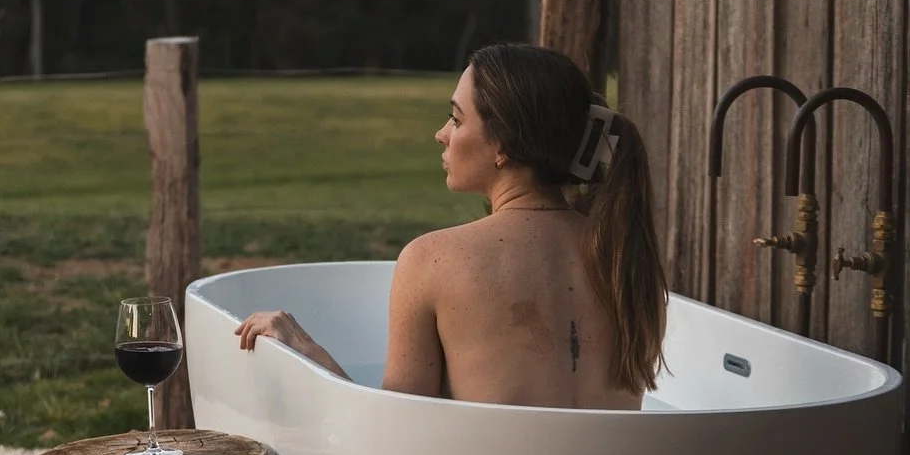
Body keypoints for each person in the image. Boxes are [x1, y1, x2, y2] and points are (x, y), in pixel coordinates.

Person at [235, 42, 667, 407]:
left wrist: (306, 353)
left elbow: (393, 434)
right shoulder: (626, 260)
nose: (441, 134)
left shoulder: (432, 260)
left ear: (505, 146)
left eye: (457, 119)